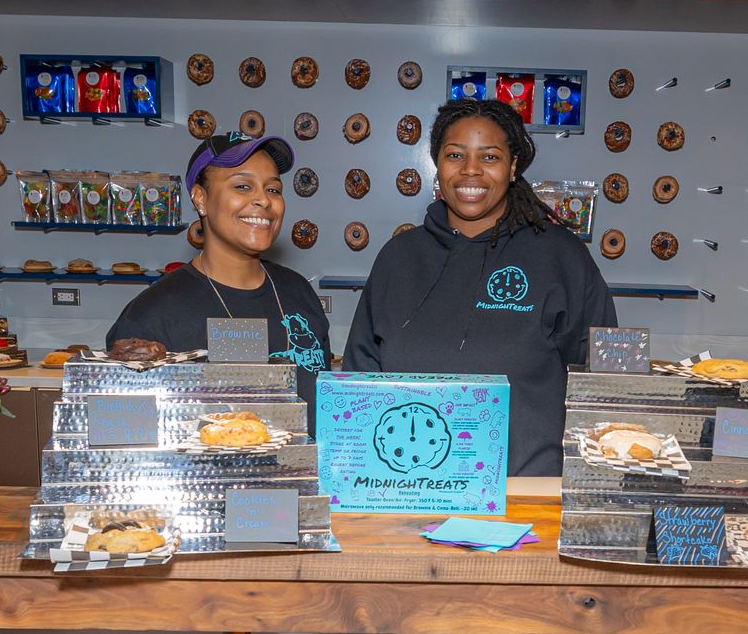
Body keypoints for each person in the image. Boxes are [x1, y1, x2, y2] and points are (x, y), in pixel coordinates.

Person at [342, 99, 616, 475]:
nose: (471, 171)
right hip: (406, 494)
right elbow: (360, 384)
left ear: (513, 166)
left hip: (524, 499)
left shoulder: (561, 258)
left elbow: (602, 389)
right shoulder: (398, 258)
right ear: (437, 163)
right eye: (455, 155)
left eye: (489, 157)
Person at [106, 132, 330, 420]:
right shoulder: (152, 314)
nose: (263, 200)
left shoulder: (298, 291)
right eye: (242, 186)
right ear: (200, 199)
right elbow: (128, 439)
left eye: (273, 189)